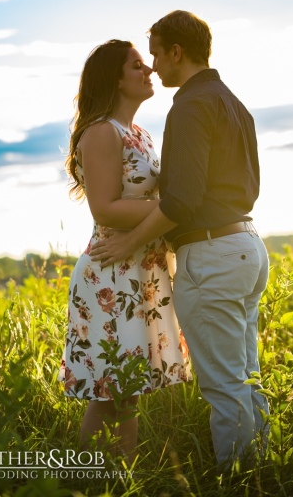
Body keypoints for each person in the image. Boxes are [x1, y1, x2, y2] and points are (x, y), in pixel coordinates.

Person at [90, 12, 270, 468]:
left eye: (154, 51)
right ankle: (264, 471)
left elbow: (182, 200)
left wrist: (130, 244)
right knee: (247, 377)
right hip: (246, 245)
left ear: (177, 51)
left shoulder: (190, 105)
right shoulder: (231, 101)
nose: (153, 63)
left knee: (226, 385)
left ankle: (239, 480)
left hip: (212, 254)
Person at [58, 39, 191, 463]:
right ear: (114, 78)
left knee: (127, 390)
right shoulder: (101, 131)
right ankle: (91, 479)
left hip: (140, 270)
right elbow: (105, 208)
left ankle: (118, 479)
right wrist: (172, 209)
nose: (148, 70)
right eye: (137, 65)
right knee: (110, 388)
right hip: (111, 272)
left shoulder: (139, 133)